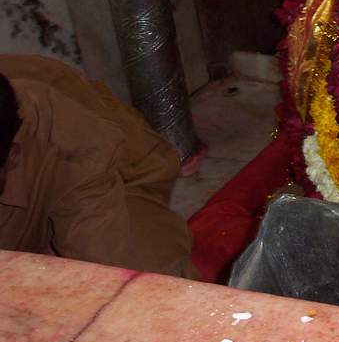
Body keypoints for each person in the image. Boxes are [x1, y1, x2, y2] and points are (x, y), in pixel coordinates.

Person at [0, 54, 196, 278]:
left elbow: (103, 254)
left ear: (12, 158)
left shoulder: (66, 135)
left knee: (139, 283)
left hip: (114, 181)